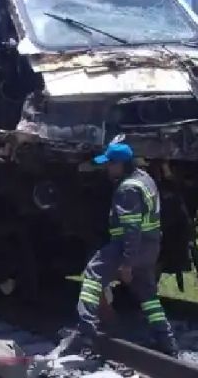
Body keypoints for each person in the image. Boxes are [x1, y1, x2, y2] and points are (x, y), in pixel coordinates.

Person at [58, 141, 179, 357]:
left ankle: (85, 331)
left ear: (122, 164)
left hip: (128, 246)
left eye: (111, 164)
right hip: (151, 247)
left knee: (92, 276)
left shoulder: (128, 189)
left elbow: (131, 228)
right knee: (148, 296)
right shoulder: (146, 179)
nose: (108, 168)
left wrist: (126, 262)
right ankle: (166, 340)